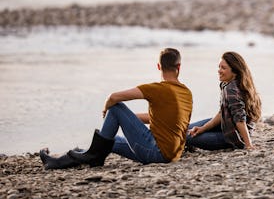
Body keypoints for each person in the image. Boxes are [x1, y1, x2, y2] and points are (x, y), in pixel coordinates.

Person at [40, 48, 193, 169]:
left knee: (116, 108)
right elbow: (164, 119)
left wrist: (108, 110)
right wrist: (127, 120)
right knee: (107, 142)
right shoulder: (186, 93)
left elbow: (113, 97)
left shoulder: (157, 89)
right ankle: (56, 162)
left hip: (156, 153)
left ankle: (95, 156)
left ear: (158, 66)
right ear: (179, 67)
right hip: (172, 154)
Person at [187, 51, 261, 150]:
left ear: (235, 71)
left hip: (233, 137)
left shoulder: (231, 89)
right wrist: (202, 129)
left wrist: (248, 145)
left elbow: (240, 120)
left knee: (183, 136)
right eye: (219, 67)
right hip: (226, 125)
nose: (219, 70)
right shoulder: (228, 84)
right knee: (186, 129)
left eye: (223, 68)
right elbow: (222, 113)